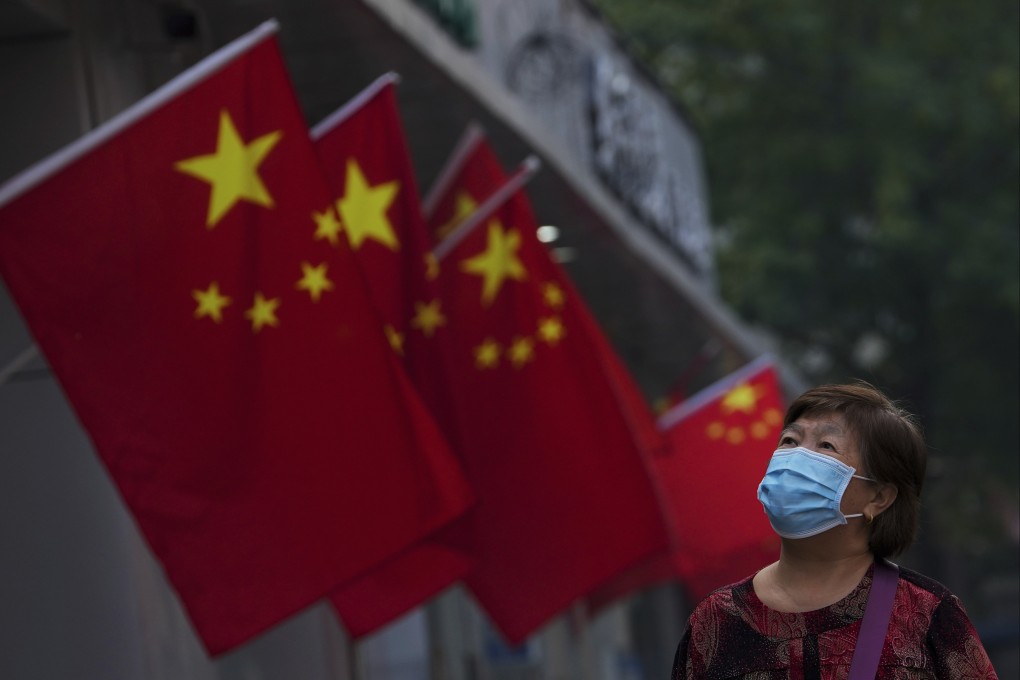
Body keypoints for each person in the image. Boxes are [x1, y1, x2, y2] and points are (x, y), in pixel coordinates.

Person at [670, 382, 998, 679]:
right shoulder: (715, 620)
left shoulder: (928, 613)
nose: (796, 457)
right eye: (789, 440)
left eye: (826, 445)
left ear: (878, 497)